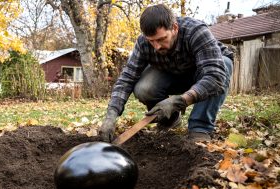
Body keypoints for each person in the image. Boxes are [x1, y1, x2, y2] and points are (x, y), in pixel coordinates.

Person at [99, 4, 233, 143]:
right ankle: (170, 119)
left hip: (203, 73)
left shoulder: (196, 32)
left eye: (162, 39)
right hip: (172, 73)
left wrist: (180, 101)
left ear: (174, 28)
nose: (156, 46)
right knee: (144, 88)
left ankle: (200, 127)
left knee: (224, 64)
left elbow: (214, 76)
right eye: (152, 41)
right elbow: (127, 78)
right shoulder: (143, 42)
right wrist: (111, 115)